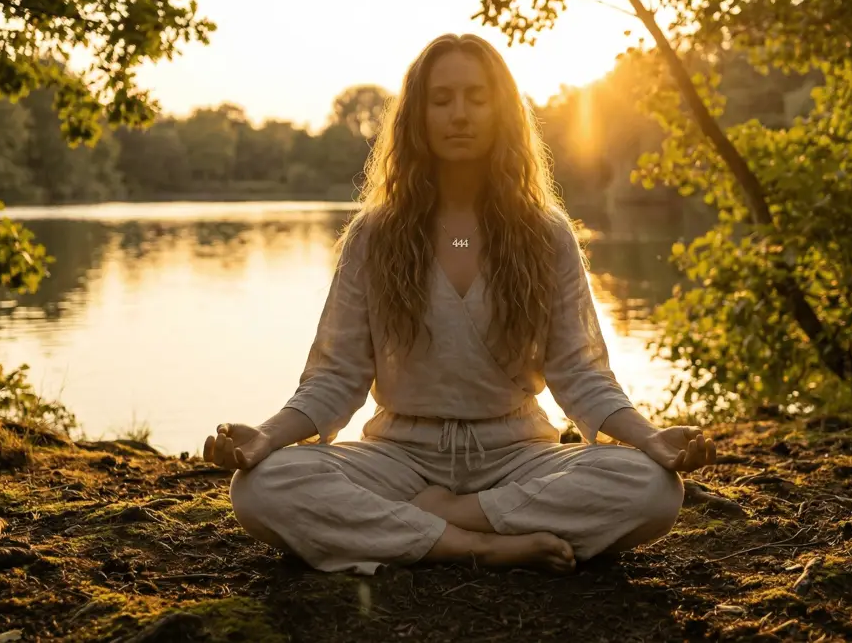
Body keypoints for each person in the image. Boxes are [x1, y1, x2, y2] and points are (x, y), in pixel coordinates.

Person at [205, 33, 716, 575]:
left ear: (502, 110)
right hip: (397, 456)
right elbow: (336, 376)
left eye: (476, 97)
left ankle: (443, 519)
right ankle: (475, 544)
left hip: (518, 454)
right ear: (417, 117)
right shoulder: (374, 236)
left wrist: (650, 438)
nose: (460, 114)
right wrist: (266, 435)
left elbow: (580, 374)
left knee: (654, 489)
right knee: (261, 488)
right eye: (441, 99)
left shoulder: (545, 233)